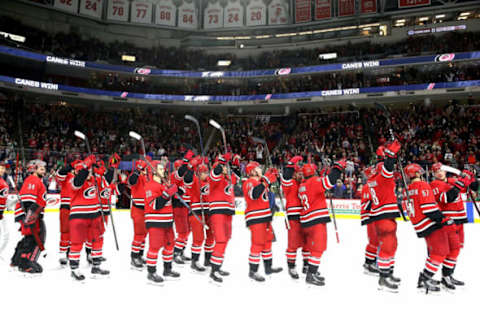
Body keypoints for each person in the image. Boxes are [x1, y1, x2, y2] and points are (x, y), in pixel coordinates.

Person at [403, 163, 469, 293]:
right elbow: (430, 208)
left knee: (446, 250)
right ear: (416, 174)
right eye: (420, 173)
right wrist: (443, 219)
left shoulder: (408, 189)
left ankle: (435, 277)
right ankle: (425, 278)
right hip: (431, 224)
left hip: (422, 225)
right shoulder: (424, 185)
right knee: (440, 252)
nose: (422, 175)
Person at [298, 158, 346, 286]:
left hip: (306, 220)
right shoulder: (314, 181)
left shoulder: (302, 185)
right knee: (319, 247)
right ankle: (311, 274)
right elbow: (330, 181)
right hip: (316, 219)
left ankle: (310, 269)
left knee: (311, 247)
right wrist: (338, 167)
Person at [429, 162, 478, 289]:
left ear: (445, 171)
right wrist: (461, 181)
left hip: (460, 219)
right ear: (433, 174)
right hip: (448, 221)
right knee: (450, 249)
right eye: (436, 171)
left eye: (441, 170)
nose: (439, 173)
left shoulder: (452, 180)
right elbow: (447, 198)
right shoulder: (434, 184)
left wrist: (472, 176)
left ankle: (448, 275)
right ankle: (438, 277)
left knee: (456, 250)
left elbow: (474, 187)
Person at [364, 141, 402, 292]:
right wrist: (392, 155)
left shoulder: (372, 180)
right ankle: (384, 278)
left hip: (383, 214)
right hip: (384, 214)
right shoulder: (382, 177)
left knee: (392, 244)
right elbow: (387, 168)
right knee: (387, 246)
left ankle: (388, 273)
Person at [68, 155, 109, 281]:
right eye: (88, 171)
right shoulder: (74, 180)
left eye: (91, 171)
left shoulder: (95, 180)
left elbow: (105, 182)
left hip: (95, 215)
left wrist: (111, 168)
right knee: (77, 243)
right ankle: (74, 269)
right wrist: (85, 168)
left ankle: (96, 266)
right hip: (79, 216)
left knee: (97, 240)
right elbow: (78, 182)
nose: (90, 173)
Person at [242, 161, 282, 282]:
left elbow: (266, 192)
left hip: (265, 217)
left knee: (267, 242)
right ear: (252, 171)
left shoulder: (259, 182)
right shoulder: (249, 182)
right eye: (258, 168)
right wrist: (266, 180)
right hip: (256, 217)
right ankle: (253, 271)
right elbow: (254, 194)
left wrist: (273, 177)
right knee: (258, 244)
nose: (260, 169)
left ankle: (268, 268)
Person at [144, 160, 180, 284]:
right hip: (155, 222)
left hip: (168, 221)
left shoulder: (165, 185)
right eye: (160, 169)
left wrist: (176, 194)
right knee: (154, 247)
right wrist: (166, 194)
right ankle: (151, 272)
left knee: (170, 245)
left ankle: (167, 269)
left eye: (163, 169)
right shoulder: (150, 185)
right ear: (153, 171)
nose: (163, 171)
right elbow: (155, 204)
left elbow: (170, 203)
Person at [207, 153, 241, 283]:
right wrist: (221, 162)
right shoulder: (215, 178)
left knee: (226, 239)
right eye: (224, 167)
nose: (226, 168)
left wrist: (235, 165)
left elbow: (237, 177)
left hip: (228, 211)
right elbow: (214, 174)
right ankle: (213, 270)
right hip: (218, 211)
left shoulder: (227, 179)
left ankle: (217, 264)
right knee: (220, 240)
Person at [11, 160, 47, 274]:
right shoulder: (33, 180)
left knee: (29, 237)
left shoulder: (35, 180)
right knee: (37, 237)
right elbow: (28, 200)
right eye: (41, 169)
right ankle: (27, 263)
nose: (44, 170)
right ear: (34, 169)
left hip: (29, 213)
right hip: (31, 212)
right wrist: (30, 217)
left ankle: (17, 260)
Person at [183, 156, 213, 272]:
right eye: (203, 172)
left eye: (206, 172)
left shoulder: (210, 181)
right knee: (199, 238)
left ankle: (208, 259)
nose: (206, 174)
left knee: (211, 236)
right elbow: (187, 179)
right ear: (198, 173)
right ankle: (194, 261)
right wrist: (191, 167)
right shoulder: (194, 180)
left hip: (209, 212)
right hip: (196, 212)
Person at [280, 155, 309, 279]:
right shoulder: (289, 183)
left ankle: (306, 265)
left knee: (307, 243)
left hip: (306, 216)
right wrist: (291, 162)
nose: (300, 175)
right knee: (293, 243)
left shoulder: (304, 183)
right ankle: (291, 266)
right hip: (293, 217)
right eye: (297, 173)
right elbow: (286, 175)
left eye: (301, 174)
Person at [55, 160, 78, 266]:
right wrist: (70, 165)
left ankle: (71, 251)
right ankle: (63, 253)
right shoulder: (66, 176)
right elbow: (59, 174)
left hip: (77, 208)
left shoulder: (81, 178)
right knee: (65, 231)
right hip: (65, 207)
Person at [128, 159, 148, 269]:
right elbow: (131, 181)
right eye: (143, 169)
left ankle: (140, 254)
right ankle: (134, 257)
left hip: (147, 210)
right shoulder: (135, 176)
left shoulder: (147, 177)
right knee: (139, 234)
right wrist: (137, 170)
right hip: (138, 210)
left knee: (144, 234)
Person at [171, 157, 191, 264]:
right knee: (183, 232)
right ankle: (176, 252)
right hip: (179, 206)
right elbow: (174, 191)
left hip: (187, 206)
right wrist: (179, 191)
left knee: (188, 230)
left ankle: (181, 250)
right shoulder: (174, 176)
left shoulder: (186, 177)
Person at [360, 166, 379, 276]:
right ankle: (369, 263)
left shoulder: (373, 185)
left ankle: (371, 262)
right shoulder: (368, 186)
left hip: (374, 216)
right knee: (374, 241)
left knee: (376, 241)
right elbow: (367, 204)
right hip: (371, 217)